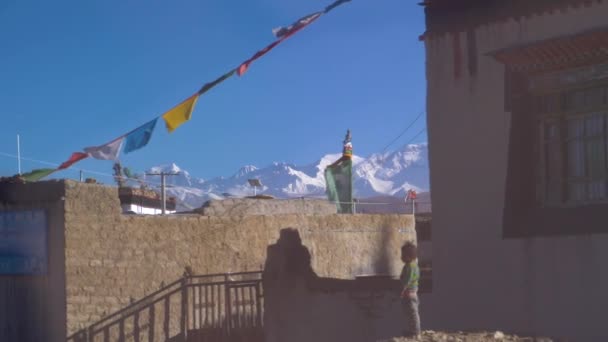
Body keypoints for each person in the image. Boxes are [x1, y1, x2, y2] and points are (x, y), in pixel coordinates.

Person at [400, 241, 421, 337]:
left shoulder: (409, 267)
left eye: (403, 255)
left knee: (412, 313)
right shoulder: (415, 265)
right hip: (413, 292)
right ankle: (413, 330)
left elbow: (407, 280)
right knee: (411, 312)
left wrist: (403, 289)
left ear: (408, 256)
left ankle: (415, 332)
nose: (401, 257)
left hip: (409, 292)